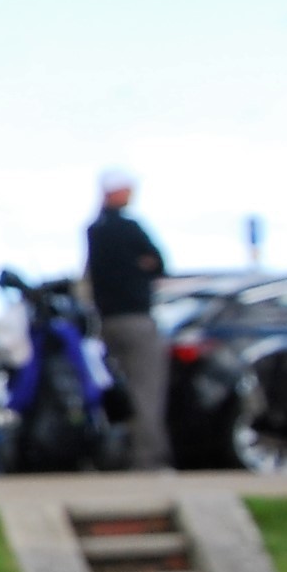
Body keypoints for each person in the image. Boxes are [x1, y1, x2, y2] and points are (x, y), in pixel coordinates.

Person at [86, 169, 170, 469]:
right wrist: (141, 266)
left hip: (107, 321)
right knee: (146, 390)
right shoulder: (129, 228)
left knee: (118, 390)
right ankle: (147, 457)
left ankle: (117, 453)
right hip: (135, 318)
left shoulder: (95, 230)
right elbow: (159, 263)